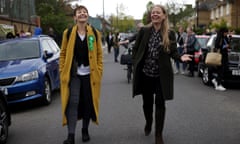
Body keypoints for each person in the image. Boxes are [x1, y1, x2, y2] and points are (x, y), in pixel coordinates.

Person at [132, 4, 192, 144]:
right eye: (153, 13)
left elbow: (173, 51)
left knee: (160, 104)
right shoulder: (144, 31)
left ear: (164, 16)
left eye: (158, 13)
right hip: (146, 74)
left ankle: (158, 135)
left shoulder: (169, 33)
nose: (155, 15)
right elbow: (136, 49)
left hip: (161, 76)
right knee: (147, 104)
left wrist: (180, 57)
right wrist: (135, 63)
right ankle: (148, 122)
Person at [59, 5, 103, 144]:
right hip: (74, 75)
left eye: (84, 12)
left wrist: (99, 70)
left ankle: (85, 130)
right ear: (75, 17)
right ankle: (71, 135)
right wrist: (62, 70)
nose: (82, 14)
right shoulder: (68, 32)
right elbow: (63, 53)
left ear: (87, 16)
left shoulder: (95, 33)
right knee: (73, 102)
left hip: (90, 75)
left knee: (87, 103)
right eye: (79, 12)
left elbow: (99, 54)